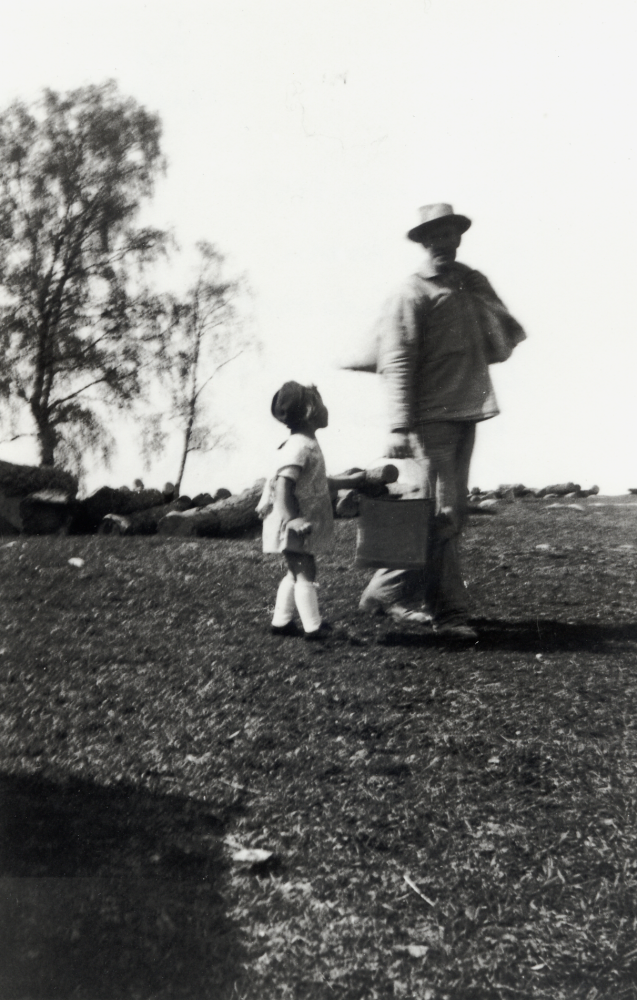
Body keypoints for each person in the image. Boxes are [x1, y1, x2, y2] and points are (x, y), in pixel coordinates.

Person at [358, 203, 526, 640]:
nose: (446, 242)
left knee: (445, 515)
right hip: (428, 419)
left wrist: (481, 293)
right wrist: (397, 427)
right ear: (423, 241)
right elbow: (395, 361)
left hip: (466, 412)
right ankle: (449, 613)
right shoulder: (410, 293)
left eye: (452, 233)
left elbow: (504, 342)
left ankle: (384, 592)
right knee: (440, 513)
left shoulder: (469, 284)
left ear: (459, 237)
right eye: (436, 235)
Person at [258, 381, 366, 640]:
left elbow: (317, 482)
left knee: (294, 570)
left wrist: (352, 481)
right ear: (309, 411)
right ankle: (314, 629)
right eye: (321, 403)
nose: (326, 409)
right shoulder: (299, 446)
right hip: (292, 520)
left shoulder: (305, 443)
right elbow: (282, 484)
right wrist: (292, 519)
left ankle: (282, 623)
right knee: (306, 571)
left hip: (294, 520)